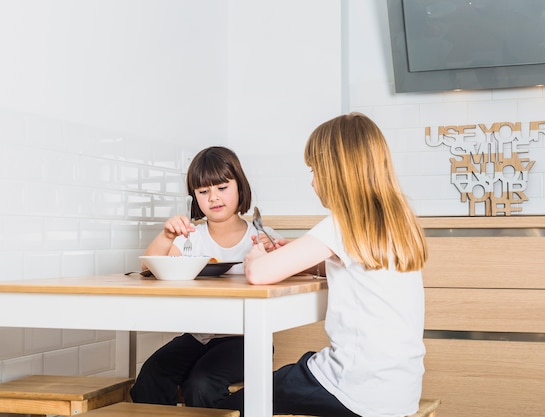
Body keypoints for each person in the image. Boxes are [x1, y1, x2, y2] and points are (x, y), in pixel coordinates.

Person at [216, 113, 428, 417]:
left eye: (315, 169)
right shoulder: (398, 223)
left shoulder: (341, 224)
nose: (313, 181)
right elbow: (357, 267)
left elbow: (257, 273)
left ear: (337, 172)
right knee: (293, 373)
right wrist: (302, 258)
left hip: (354, 388)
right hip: (399, 392)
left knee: (243, 403)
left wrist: (257, 257)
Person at [130, 146, 282, 408]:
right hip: (198, 336)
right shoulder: (191, 237)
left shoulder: (260, 236)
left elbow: (282, 276)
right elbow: (149, 269)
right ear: (194, 198)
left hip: (246, 338)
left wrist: (272, 255)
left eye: (222, 188)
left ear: (240, 188)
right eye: (203, 191)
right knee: (151, 376)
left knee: (201, 385)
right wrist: (167, 236)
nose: (213, 197)